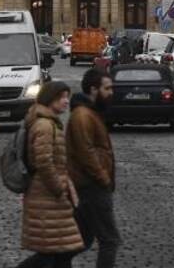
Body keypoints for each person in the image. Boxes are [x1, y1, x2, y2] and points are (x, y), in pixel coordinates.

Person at [17, 81, 84, 268]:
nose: (66, 102)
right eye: (62, 97)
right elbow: (44, 162)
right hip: (47, 197)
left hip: (50, 197)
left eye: (67, 97)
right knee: (50, 253)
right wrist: (58, 187)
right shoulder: (45, 126)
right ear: (49, 99)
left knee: (60, 251)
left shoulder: (49, 123)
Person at [67, 69, 120, 268]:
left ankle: (50, 262)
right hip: (92, 186)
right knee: (110, 240)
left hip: (89, 185)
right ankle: (45, 261)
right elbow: (86, 153)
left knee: (83, 240)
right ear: (93, 90)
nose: (111, 92)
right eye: (107, 88)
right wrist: (103, 178)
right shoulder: (83, 115)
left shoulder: (90, 112)